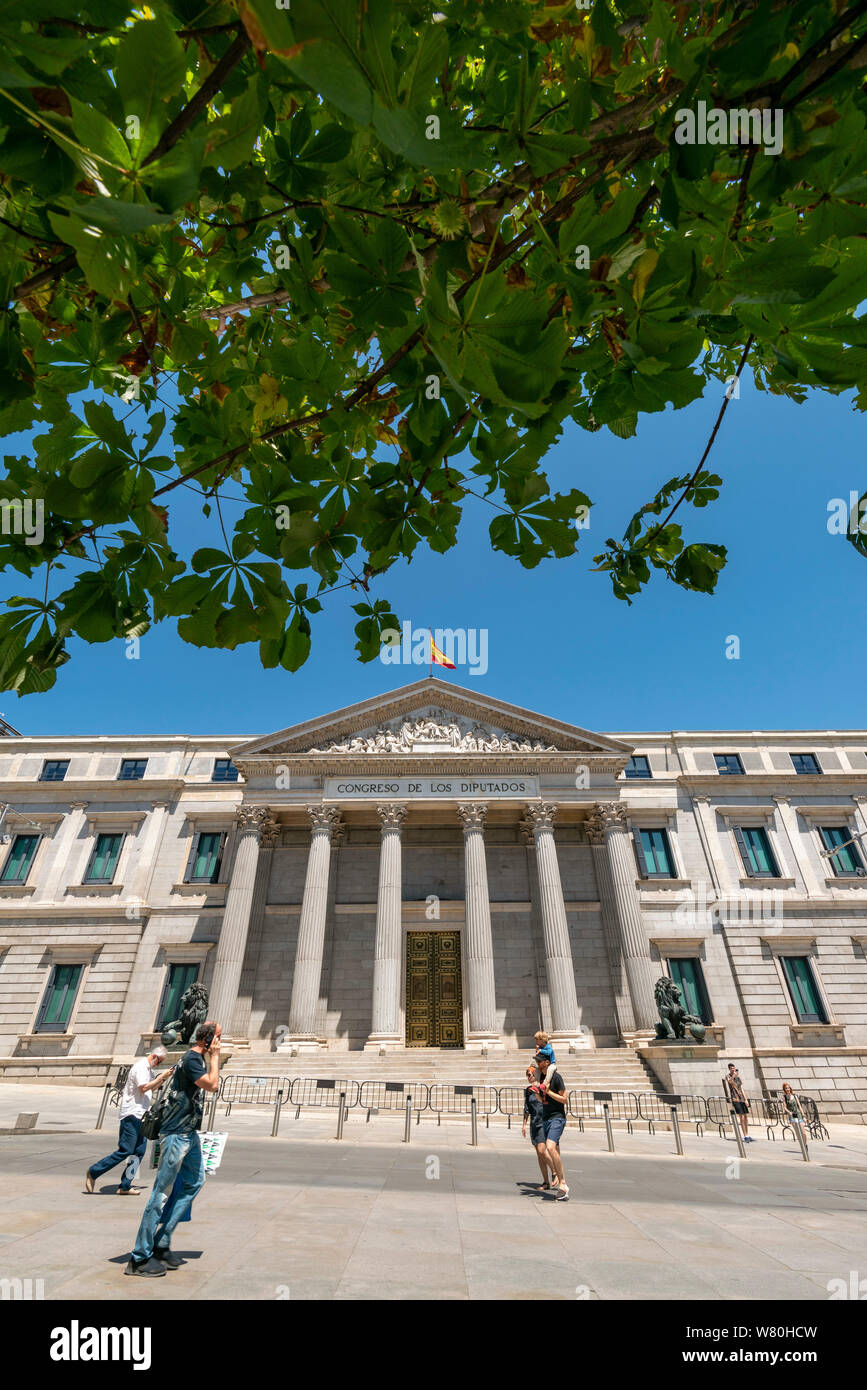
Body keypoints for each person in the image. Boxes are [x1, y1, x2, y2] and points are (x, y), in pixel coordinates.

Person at [125, 1020, 222, 1278]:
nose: (221, 1042)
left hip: (188, 1133)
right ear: (209, 1040)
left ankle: (162, 1242)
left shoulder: (194, 1059)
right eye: (219, 1038)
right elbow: (212, 1085)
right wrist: (216, 1057)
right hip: (176, 1133)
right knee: (161, 1193)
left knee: (194, 1181)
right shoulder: (192, 1059)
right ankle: (139, 1257)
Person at [86, 1048, 172, 1196]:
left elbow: (151, 1087)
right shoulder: (140, 1067)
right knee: (126, 1150)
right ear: (154, 1057)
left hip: (142, 1115)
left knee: (138, 1152)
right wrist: (160, 1077)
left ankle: (125, 1186)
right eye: (159, 1062)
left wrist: (163, 1078)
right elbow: (144, 1088)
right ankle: (94, 1171)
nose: (158, 1065)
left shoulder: (148, 1070)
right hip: (131, 1114)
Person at [536, 1051, 569, 1200]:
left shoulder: (556, 1078)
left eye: (540, 1061)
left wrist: (548, 1091)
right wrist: (537, 1091)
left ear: (547, 1063)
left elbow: (564, 1099)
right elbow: (541, 1098)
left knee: (549, 1146)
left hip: (557, 1117)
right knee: (555, 1150)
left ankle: (563, 1183)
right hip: (546, 1118)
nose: (537, 1063)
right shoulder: (542, 1078)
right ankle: (562, 1184)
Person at [521, 1064, 553, 1191]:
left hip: (543, 1122)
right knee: (539, 1155)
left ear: (535, 1075)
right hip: (533, 1123)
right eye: (527, 1075)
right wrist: (524, 1124)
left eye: (529, 1074)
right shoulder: (528, 1090)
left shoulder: (542, 1087)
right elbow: (527, 1107)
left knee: (542, 1151)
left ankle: (555, 1171)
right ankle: (546, 1182)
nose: (528, 1077)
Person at [723, 1062, 753, 1142]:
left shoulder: (738, 1077)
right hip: (735, 1098)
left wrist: (746, 1099)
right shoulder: (728, 1076)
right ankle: (745, 1135)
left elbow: (741, 1088)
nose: (733, 1069)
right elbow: (729, 1081)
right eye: (732, 1068)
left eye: (734, 1068)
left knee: (745, 1117)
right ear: (729, 1069)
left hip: (742, 1098)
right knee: (741, 1117)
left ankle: (747, 1134)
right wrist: (733, 1075)